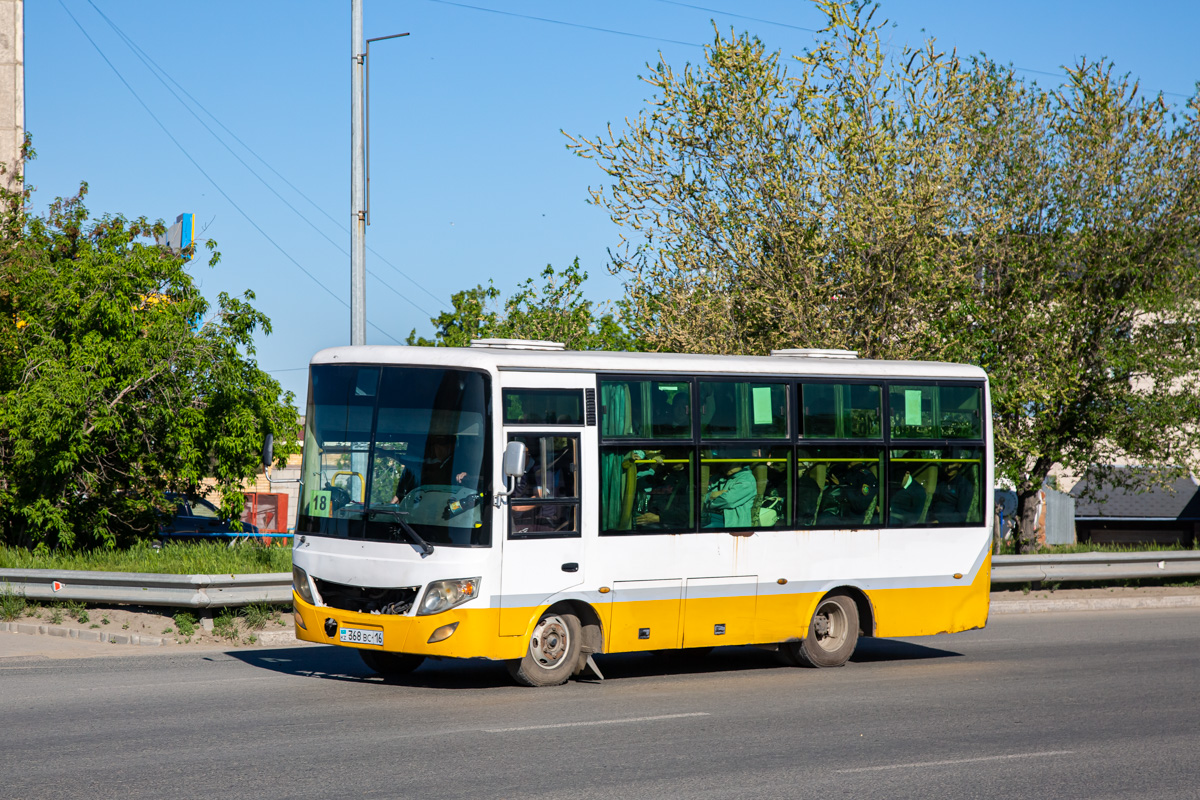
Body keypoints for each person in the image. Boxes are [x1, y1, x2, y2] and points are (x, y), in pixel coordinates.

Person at [635, 460, 690, 529]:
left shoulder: (686, 480)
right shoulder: (658, 476)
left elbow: (686, 514)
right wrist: (652, 465)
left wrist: (659, 518)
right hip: (648, 521)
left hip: (670, 526)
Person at [703, 462, 756, 529]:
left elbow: (728, 501)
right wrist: (711, 495)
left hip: (730, 522)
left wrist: (708, 501)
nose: (725, 467)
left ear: (739, 463)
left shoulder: (747, 480)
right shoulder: (719, 477)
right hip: (710, 516)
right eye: (724, 463)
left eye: (729, 464)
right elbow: (703, 493)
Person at [930, 460, 974, 525]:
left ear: (959, 464)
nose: (949, 467)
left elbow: (961, 515)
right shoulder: (939, 482)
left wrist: (940, 521)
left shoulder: (964, 485)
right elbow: (931, 505)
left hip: (949, 526)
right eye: (946, 464)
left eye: (952, 464)